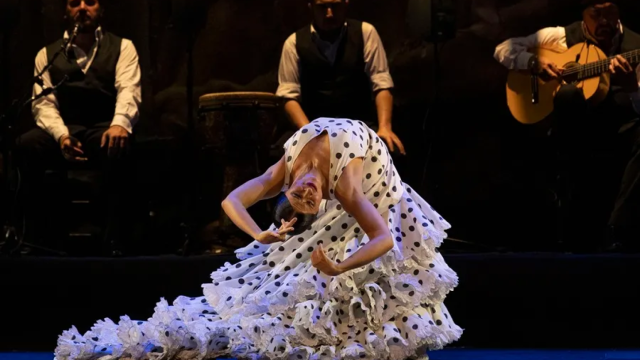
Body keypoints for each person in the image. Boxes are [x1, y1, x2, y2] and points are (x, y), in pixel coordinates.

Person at [54, 118, 461, 360]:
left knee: (374, 284)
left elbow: (383, 238)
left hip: (383, 192)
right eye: (305, 199)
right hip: (365, 187)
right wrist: (267, 237)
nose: (304, 193)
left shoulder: (314, 178)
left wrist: (330, 263)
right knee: (324, 294)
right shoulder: (315, 183)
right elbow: (232, 200)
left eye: (300, 196)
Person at [493, 0, 640, 252]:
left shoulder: (636, 47)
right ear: (584, 13)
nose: (604, 21)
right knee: (568, 95)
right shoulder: (561, 37)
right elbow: (503, 49)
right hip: (573, 132)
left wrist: (632, 88)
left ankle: (618, 229)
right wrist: (534, 63)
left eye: (610, 12)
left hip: (619, 130)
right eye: (597, 13)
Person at [15, 0, 141, 255]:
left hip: (104, 127)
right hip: (65, 128)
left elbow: (129, 89)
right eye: (74, 3)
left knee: (119, 146)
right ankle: (36, 238)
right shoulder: (47, 54)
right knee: (26, 144)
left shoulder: (123, 46)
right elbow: (43, 104)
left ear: (101, 9)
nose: (82, 8)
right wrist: (62, 136)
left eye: (90, 2)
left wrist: (120, 124)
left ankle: (115, 239)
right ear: (66, 12)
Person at [276, 0, 406, 156]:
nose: (329, 13)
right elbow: (289, 97)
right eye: (323, 7)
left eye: (335, 6)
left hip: (358, 124)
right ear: (311, 6)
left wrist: (385, 127)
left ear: (346, 4)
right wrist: (311, 133)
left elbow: (382, 84)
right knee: (282, 154)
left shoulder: (365, 32)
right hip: (314, 123)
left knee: (390, 150)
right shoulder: (294, 43)